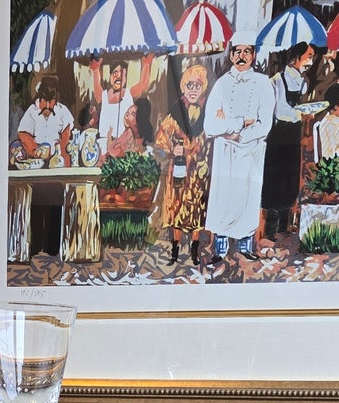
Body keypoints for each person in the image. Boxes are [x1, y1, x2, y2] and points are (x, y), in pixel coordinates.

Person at [203, 36, 273, 264]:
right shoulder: (221, 84)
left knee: (247, 198)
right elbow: (210, 125)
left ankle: (245, 246)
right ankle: (220, 248)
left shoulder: (263, 83)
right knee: (223, 198)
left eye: (246, 51)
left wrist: (238, 135)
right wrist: (240, 122)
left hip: (251, 152)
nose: (241, 56)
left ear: (253, 54)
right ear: (231, 55)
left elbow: (264, 124)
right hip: (225, 153)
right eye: (237, 51)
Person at [152, 61, 212, 265]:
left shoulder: (208, 113)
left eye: (197, 85)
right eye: (189, 85)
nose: (193, 90)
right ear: (183, 87)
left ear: (203, 87)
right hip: (177, 172)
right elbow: (159, 143)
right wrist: (171, 150)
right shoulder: (173, 115)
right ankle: (175, 253)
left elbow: (212, 142)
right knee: (175, 211)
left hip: (198, 173)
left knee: (197, 212)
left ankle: (194, 253)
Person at [261, 43, 314, 238]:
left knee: (290, 177)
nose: (310, 61)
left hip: (294, 132)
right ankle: (271, 230)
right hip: (278, 133)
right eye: (308, 56)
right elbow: (279, 110)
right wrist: (299, 111)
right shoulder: (276, 81)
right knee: (275, 178)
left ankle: (285, 226)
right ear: (295, 58)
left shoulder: (303, 82)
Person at [89, 53, 155, 158]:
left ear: (125, 77)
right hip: (103, 145)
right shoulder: (104, 95)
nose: (118, 76)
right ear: (110, 76)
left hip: (124, 145)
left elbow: (142, 85)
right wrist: (96, 70)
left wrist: (146, 64)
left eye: (121, 73)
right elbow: (97, 90)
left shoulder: (129, 93)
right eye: (115, 73)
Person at [16, 73, 74, 162]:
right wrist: (35, 151)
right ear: (39, 98)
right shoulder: (32, 111)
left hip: (58, 160)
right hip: (37, 160)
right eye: (44, 101)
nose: (47, 106)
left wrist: (59, 150)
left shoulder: (62, 111)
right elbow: (23, 134)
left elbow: (67, 133)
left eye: (51, 101)